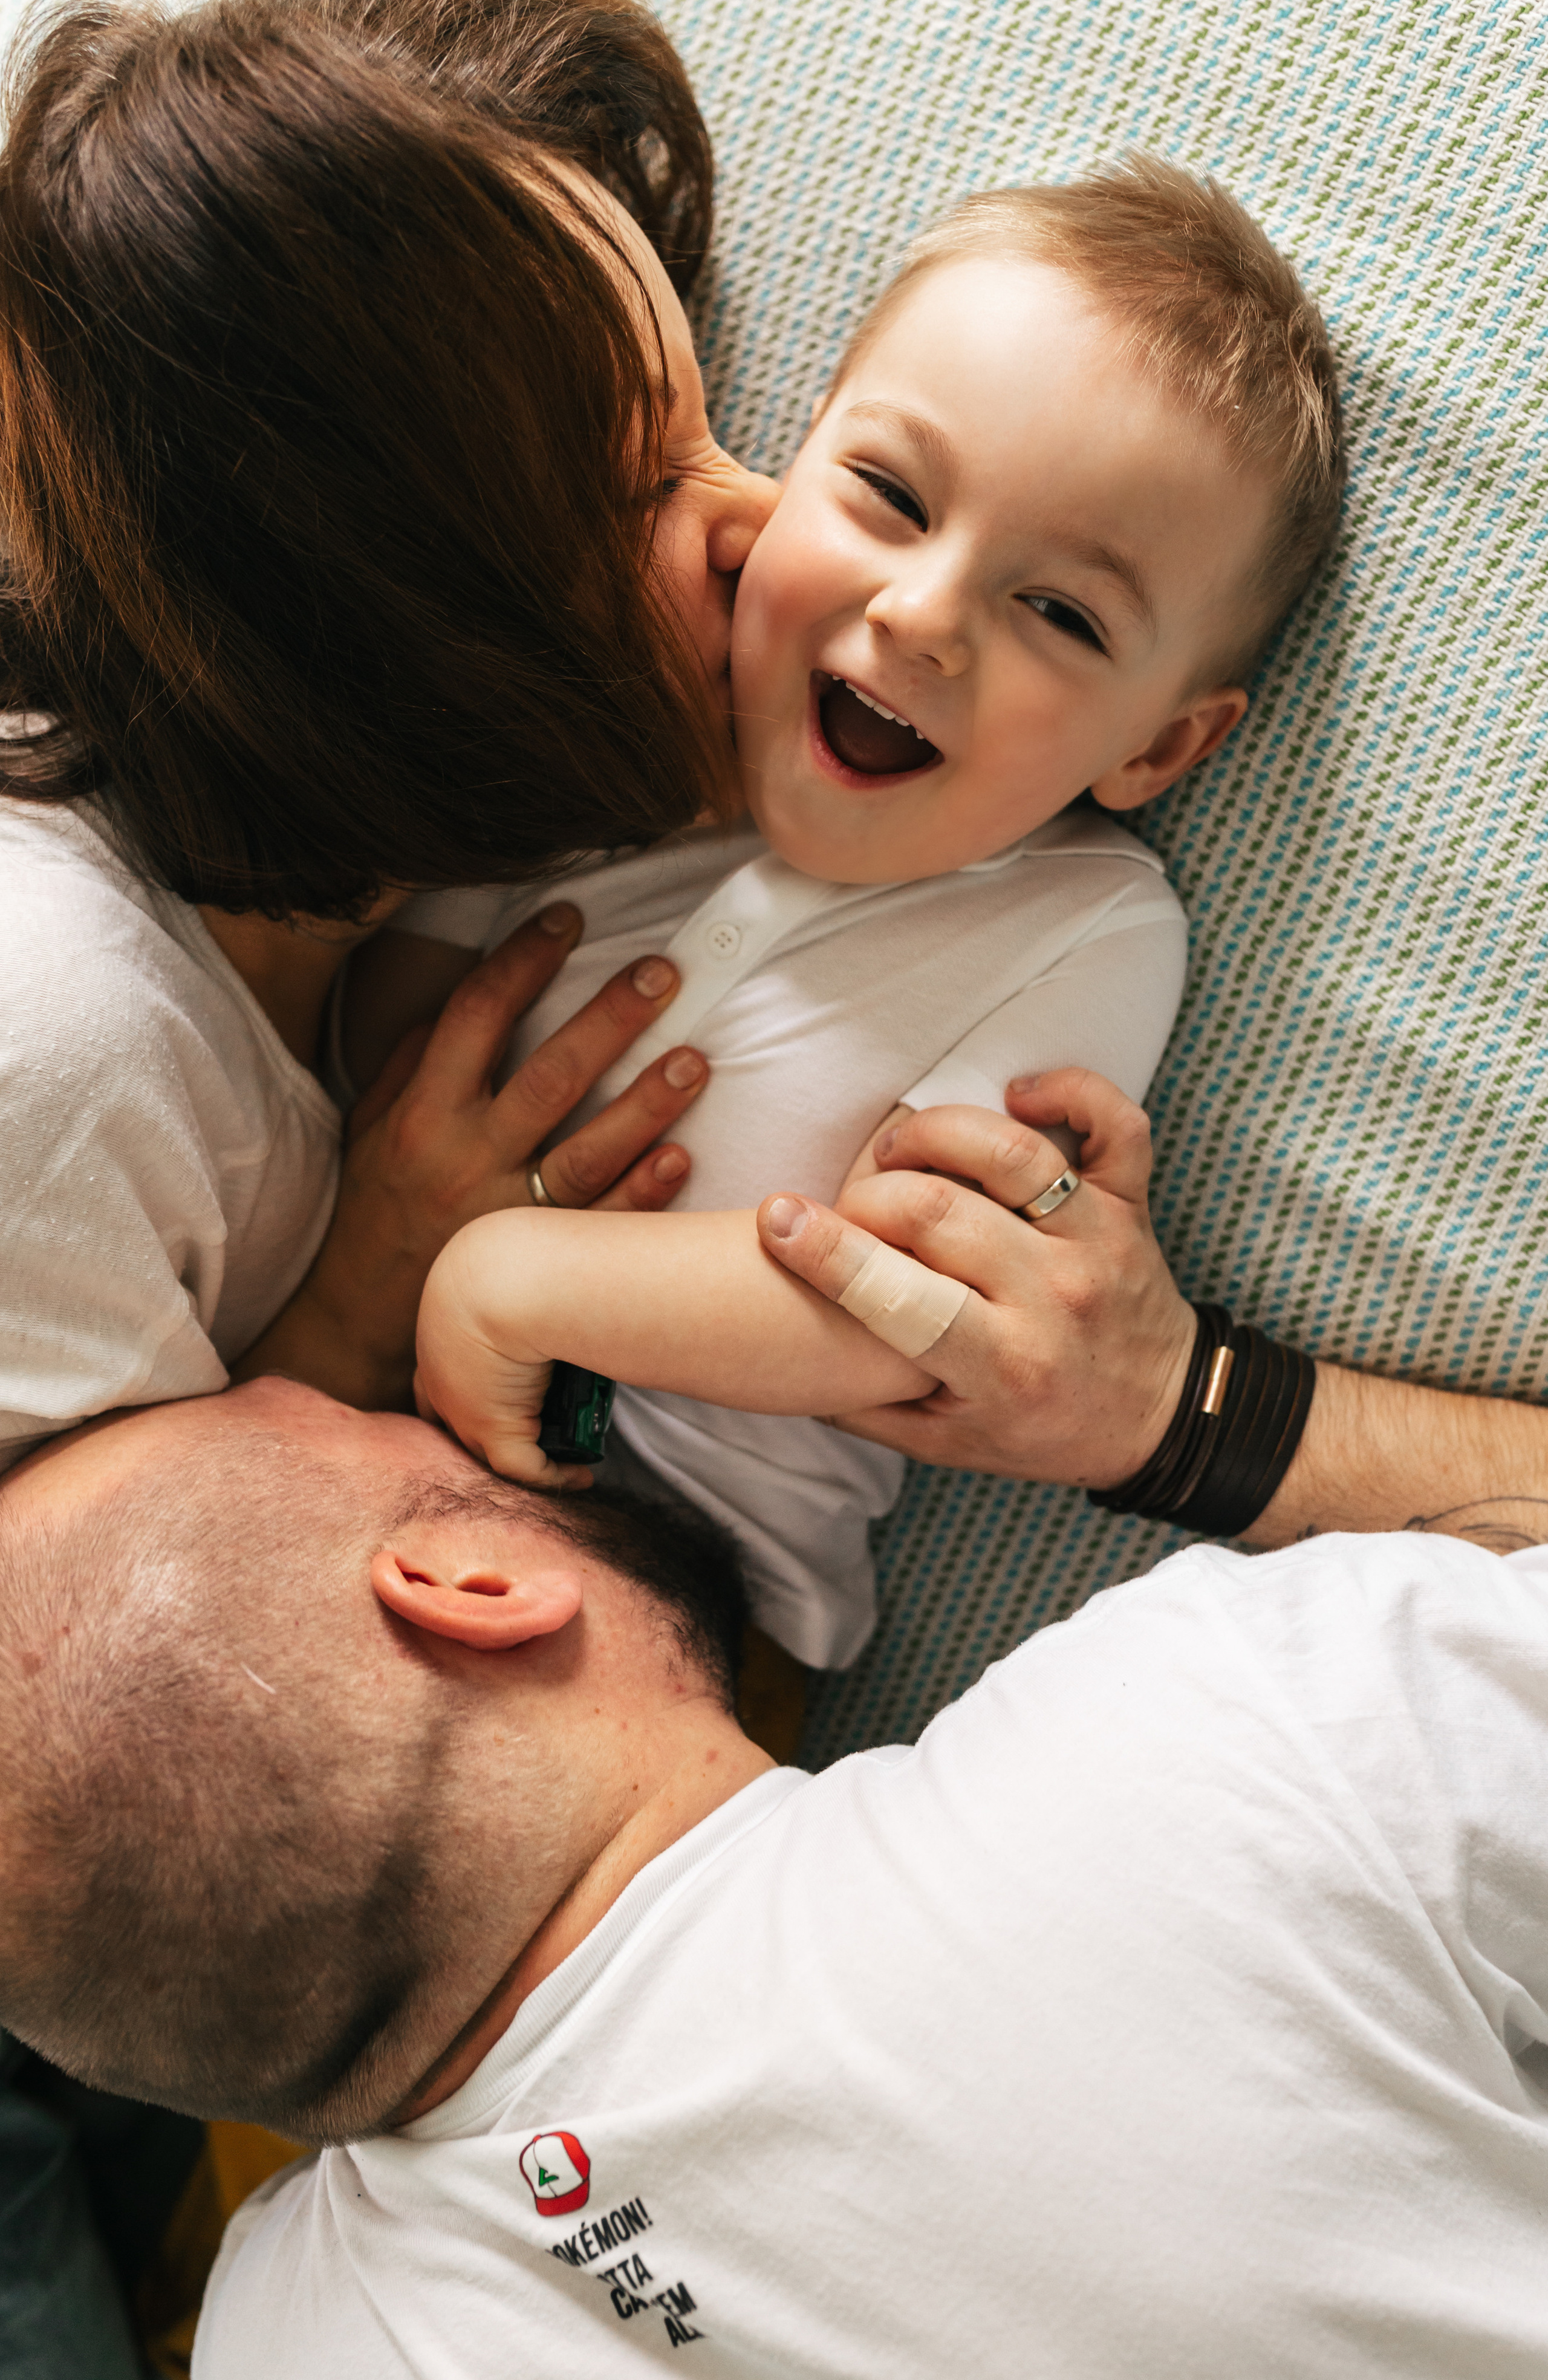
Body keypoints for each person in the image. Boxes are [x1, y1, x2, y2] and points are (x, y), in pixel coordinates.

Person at [0, 0, 774, 2362]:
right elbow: (64, 1737)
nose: (770, 509)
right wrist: (364, 1292)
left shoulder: (306, 893)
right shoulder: (67, 1038)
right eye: (650, 490)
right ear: (387, 634)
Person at [1, 1380, 1546, 2376]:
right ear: (471, 1589)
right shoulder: (1207, 1740)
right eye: (384, 1427)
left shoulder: (285, 2343)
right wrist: (1171, 1404)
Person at [380, 160, 1342, 1671]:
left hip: (686, 1592)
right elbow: (396, 969)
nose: (922, 614)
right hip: (355, 1425)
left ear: (1155, 748)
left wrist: (514, 1280)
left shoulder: (1085, 928)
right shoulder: (620, 725)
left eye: (1064, 614)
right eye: (887, 496)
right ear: (789, 458)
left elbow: (930, 1302)